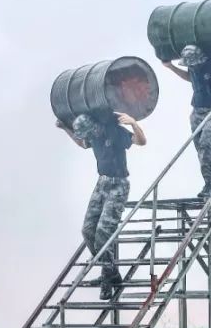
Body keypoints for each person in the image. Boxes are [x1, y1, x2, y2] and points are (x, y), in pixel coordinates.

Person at [57, 112, 146, 300]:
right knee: (88, 230)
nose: (90, 138)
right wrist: (66, 128)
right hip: (102, 183)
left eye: (90, 134)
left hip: (118, 184)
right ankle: (111, 272)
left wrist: (133, 123)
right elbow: (82, 143)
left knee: (103, 234)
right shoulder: (92, 136)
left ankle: (108, 278)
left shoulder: (115, 132)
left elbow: (142, 141)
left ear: (94, 127)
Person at [161, 44, 211, 198]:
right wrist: (170, 67)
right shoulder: (193, 67)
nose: (191, 66)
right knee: (202, 153)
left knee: (205, 147)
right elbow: (190, 77)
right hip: (196, 112)